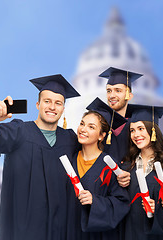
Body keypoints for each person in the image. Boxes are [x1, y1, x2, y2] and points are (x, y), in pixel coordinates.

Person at [0, 74, 80, 240]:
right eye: (47, 101)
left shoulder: (70, 139)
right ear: (38, 104)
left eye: (58, 103)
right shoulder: (19, 131)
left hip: (60, 229)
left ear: (63, 108)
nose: (52, 107)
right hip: (23, 230)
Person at [65, 97, 130, 240]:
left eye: (91, 127)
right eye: (82, 124)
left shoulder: (110, 165)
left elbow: (121, 203)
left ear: (102, 136)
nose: (83, 129)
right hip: (68, 231)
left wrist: (95, 201)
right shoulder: (70, 159)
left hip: (96, 235)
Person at [120, 104, 163, 240]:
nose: (136, 134)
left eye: (141, 129)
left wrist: (158, 210)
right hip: (130, 234)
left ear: (153, 131)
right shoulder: (127, 166)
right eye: (132, 130)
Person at [99, 67, 142, 162]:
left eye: (118, 90)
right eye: (109, 91)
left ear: (129, 96)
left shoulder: (137, 125)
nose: (112, 95)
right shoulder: (100, 122)